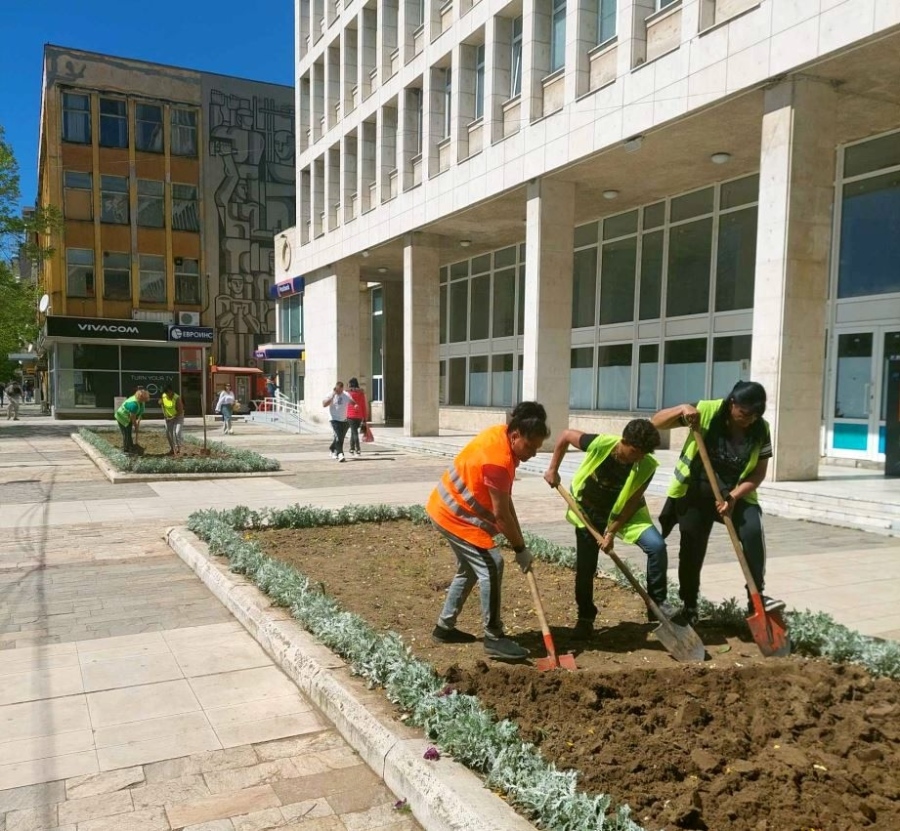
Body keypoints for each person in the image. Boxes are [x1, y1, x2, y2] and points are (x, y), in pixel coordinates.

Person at [652, 381, 785, 626]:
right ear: (732, 403)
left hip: (736, 494)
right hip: (696, 492)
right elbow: (656, 423)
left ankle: (756, 598)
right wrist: (682, 408)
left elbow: (758, 474)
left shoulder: (761, 429)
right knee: (691, 548)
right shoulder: (707, 411)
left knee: (753, 532)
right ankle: (690, 605)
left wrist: (733, 497)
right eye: (744, 413)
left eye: (755, 415)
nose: (748, 420)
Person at [427, 401, 551, 661]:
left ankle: (443, 628)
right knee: (492, 565)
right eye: (530, 446)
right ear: (516, 434)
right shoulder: (498, 459)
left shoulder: (501, 436)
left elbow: (505, 502)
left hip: (447, 508)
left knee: (471, 569)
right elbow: (501, 515)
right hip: (454, 515)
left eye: (538, 448)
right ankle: (494, 637)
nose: (533, 453)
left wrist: (521, 539)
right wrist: (520, 549)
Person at [543, 419, 674, 639]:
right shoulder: (601, 443)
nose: (638, 457)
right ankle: (585, 618)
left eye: (643, 453)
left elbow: (632, 502)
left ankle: (657, 605)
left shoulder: (647, 465)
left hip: (625, 515)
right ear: (624, 441)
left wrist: (612, 531)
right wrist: (552, 469)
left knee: (657, 546)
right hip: (588, 513)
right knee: (586, 569)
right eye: (635, 451)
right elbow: (565, 435)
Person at [323, 381, 353, 462]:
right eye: (337, 390)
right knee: (338, 436)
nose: (338, 392)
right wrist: (333, 395)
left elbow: (352, 401)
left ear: (342, 389)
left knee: (341, 437)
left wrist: (355, 405)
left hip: (344, 419)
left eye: (340, 390)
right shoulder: (331, 394)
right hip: (334, 419)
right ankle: (340, 454)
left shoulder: (346, 395)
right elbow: (324, 404)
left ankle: (332, 448)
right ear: (335, 388)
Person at [114, 389, 150, 454]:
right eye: (145, 399)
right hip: (122, 417)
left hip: (128, 417)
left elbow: (141, 410)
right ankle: (126, 450)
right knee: (126, 433)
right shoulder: (134, 404)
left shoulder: (141, 401)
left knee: (129, 432)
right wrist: (135, 425)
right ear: (141, 398)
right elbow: (132, 418)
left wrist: (139, 417)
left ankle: (131, 446)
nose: (146, 400)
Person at [346, 377, 368, 456]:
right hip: (359, 416)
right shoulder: (361, 393)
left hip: (351, 416)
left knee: (354, 432)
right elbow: (363, 406)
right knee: (353, 432)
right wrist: (365, 418)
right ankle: (351, 449)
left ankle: (358, 449)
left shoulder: (348, 393)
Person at [160, 385, 185, 455]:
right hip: (168, 417)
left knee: (177, 432)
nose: (168, 394)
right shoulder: (163, 396)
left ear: (171, 391)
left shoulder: (177, 398)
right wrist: (164, 415)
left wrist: (172, 417)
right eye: (166, 393)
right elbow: (162, 405)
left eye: (169, 392)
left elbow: (180, 411)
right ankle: (172, 448)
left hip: (178, 417)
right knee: (168, 433)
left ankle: (179, 449)